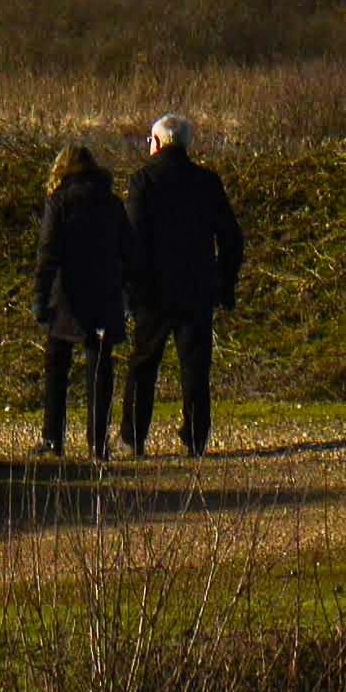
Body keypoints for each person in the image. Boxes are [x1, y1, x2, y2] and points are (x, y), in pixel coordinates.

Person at [120, 111, 245, 456]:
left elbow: (132, 239)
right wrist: (224, 281)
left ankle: (135, 436)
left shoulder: (142, 181)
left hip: (153, 291)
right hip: (196, 288)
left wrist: (130, 288)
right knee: (195, 368)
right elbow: (232, 237)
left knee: (144, 365)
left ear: (157, 142)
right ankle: (196, 437)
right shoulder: (207, 182)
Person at [29, 141, 134, 458]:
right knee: (100, 369)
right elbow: (127, 251)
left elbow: (48, 251)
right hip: (105, 293)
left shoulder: (59, 201)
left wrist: (40, 295)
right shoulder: (112, 202)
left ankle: (53, 439)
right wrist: (127, 293)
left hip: (67, 294)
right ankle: (98, 444)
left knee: (57, 365)